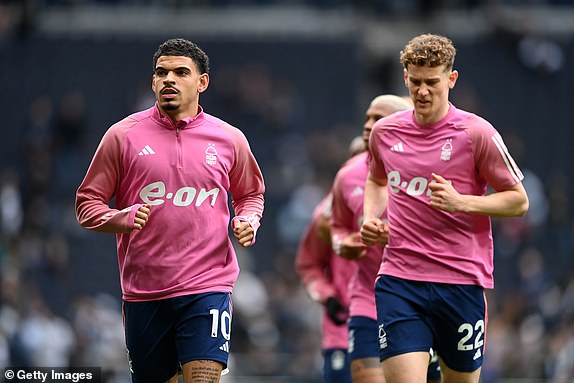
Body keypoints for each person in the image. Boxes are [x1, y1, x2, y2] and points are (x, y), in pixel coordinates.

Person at [75, 38, 265, 383]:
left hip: (208, 286)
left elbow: (251, 194)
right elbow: (87, 206)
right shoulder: (122, 136)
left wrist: (247, 219)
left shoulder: (229, 138)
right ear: (152, 81)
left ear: (202, 82)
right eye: (161, 73)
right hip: (144, 292)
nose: (169, 80)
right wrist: (123, 217)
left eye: (181, 72)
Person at [360, 33, 529, 383]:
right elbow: (376, 180)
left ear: (451, 79)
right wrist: (371, 218)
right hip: (400, 279)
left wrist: (461, 202)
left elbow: (518, 200)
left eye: (432, 83)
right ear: (405, 77)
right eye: (416, 82)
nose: (422, 92)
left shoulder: (476, 133)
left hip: (461, 281)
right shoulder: (385, 133)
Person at [331, 95, 440, 383]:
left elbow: (450, 231)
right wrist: (343, 245)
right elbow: (338, 229)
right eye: (367, 117)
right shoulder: (348, 175)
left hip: (423, 297)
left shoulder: (431, 169)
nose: (368, 125)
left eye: (378, 119)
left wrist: (394, 234)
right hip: (368, 299)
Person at [295, 136, 366, 383]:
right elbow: (308, 264)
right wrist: (327, 295)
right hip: (343, 326)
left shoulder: (405, 202)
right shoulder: (326, 214)